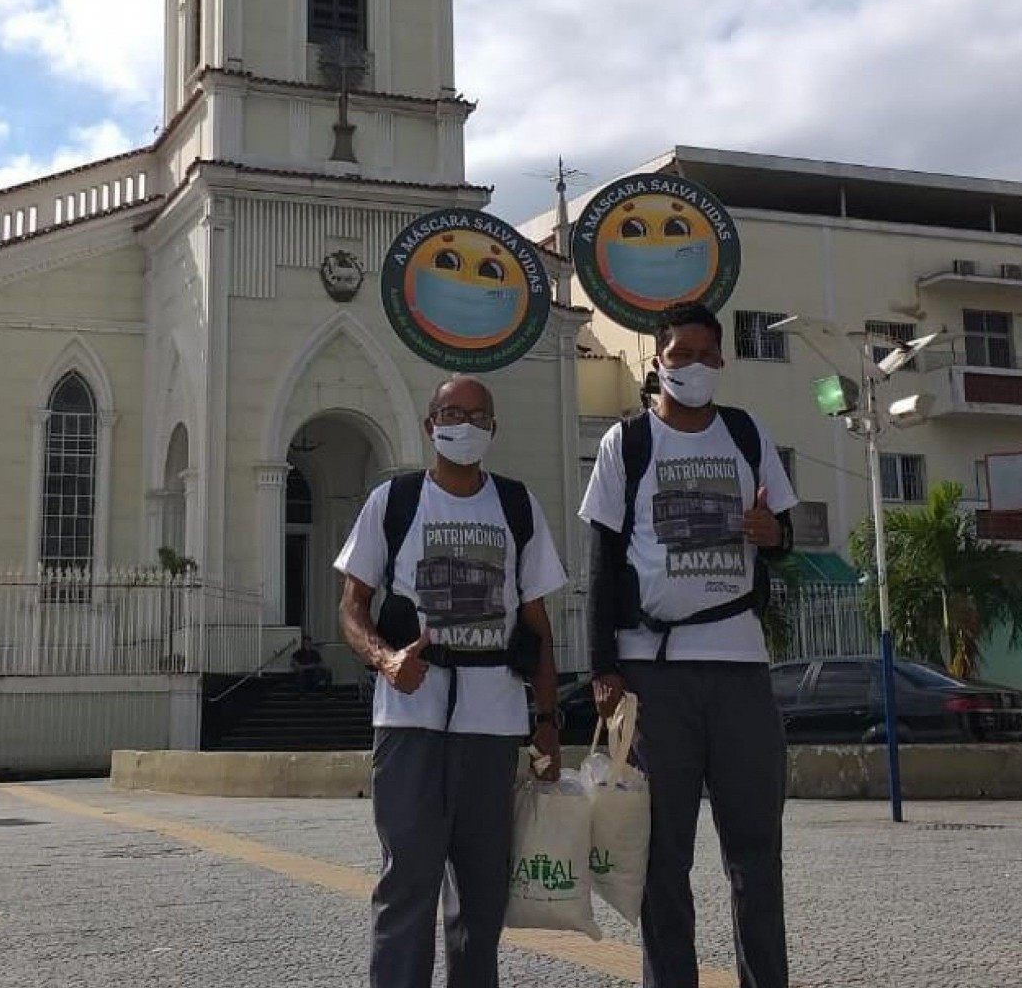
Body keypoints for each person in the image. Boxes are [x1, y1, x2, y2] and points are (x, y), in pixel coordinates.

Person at [581, 300, 798, 988]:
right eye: (682, 355)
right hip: (656, 673)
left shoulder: (746, 432)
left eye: (708, 354)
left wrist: (774, 535)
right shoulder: (628, 443)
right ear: (658, 360)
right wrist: (604, 666)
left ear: (723, 360)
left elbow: (783, 536)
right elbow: (602, 559)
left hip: (740, 667)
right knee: (664, 855)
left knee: (756, 851)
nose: (695, 367)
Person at [336, 375, 568, 988]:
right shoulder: (394, 502)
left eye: (475, 416)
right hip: (409, 721)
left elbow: (539, 624)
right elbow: (351, 606)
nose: (462, 425)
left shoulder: (517, 505)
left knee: (481, 892)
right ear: (428, 424)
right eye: (450, 413)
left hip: (493, 721)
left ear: (492, 429)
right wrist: (386, 660)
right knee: (407, 881)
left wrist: (547, 725)